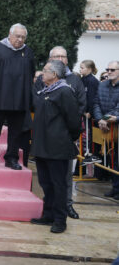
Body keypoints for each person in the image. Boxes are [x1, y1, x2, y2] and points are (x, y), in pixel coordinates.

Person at [34, 47, 86, 220]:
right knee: (46, 183)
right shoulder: (44, 90)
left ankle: (59, 219)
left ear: (55, 74)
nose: (42, 73)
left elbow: (74, 121)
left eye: (46, 71)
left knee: (58, 184)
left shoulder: (64, 91)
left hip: (57, 147)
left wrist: (66, 138)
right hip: (43, 146)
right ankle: (47, 215)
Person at [0, 24, 35, 170]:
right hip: (0, 96)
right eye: (17, 36)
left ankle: (11, 158)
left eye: (23, 37)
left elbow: (31, 73)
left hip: (20, 98)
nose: (20, 39)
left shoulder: (28, 52)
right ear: (9, 34)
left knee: (16, 131)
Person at [92, 60, 119, 200]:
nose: (108, 72)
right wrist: (100, 119)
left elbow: (117, 109)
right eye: (107, 69)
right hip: (106, 127)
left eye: (112, 70)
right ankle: (115, 187)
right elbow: (96, 103)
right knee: (112, 159)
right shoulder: (102, 85)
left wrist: (105, 118)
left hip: (116, 127)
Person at [79, 59, 100, 164]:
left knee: (90, 133)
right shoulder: (83, 80)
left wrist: (90, 112)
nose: (80, 70)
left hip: (89, 113)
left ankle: (90, 153)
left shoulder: (92, 81)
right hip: (83, 112)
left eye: (82, 68)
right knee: (85, 133)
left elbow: (92, 98)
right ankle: (86, 153)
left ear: (90, 69)